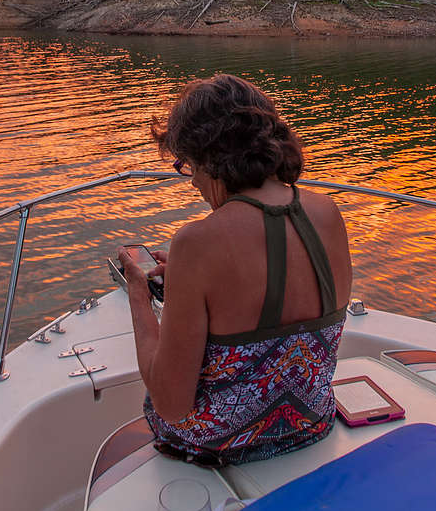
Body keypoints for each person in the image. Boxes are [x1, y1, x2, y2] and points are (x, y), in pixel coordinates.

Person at [118, 74, 353, 465]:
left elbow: (172, 404)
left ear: (210, 159)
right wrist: (190, 280)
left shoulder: (197, 243)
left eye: (186, 164)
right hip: (310, 425)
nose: (191, 180)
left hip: (218, 446)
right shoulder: (327, 214)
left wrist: (139, 297)